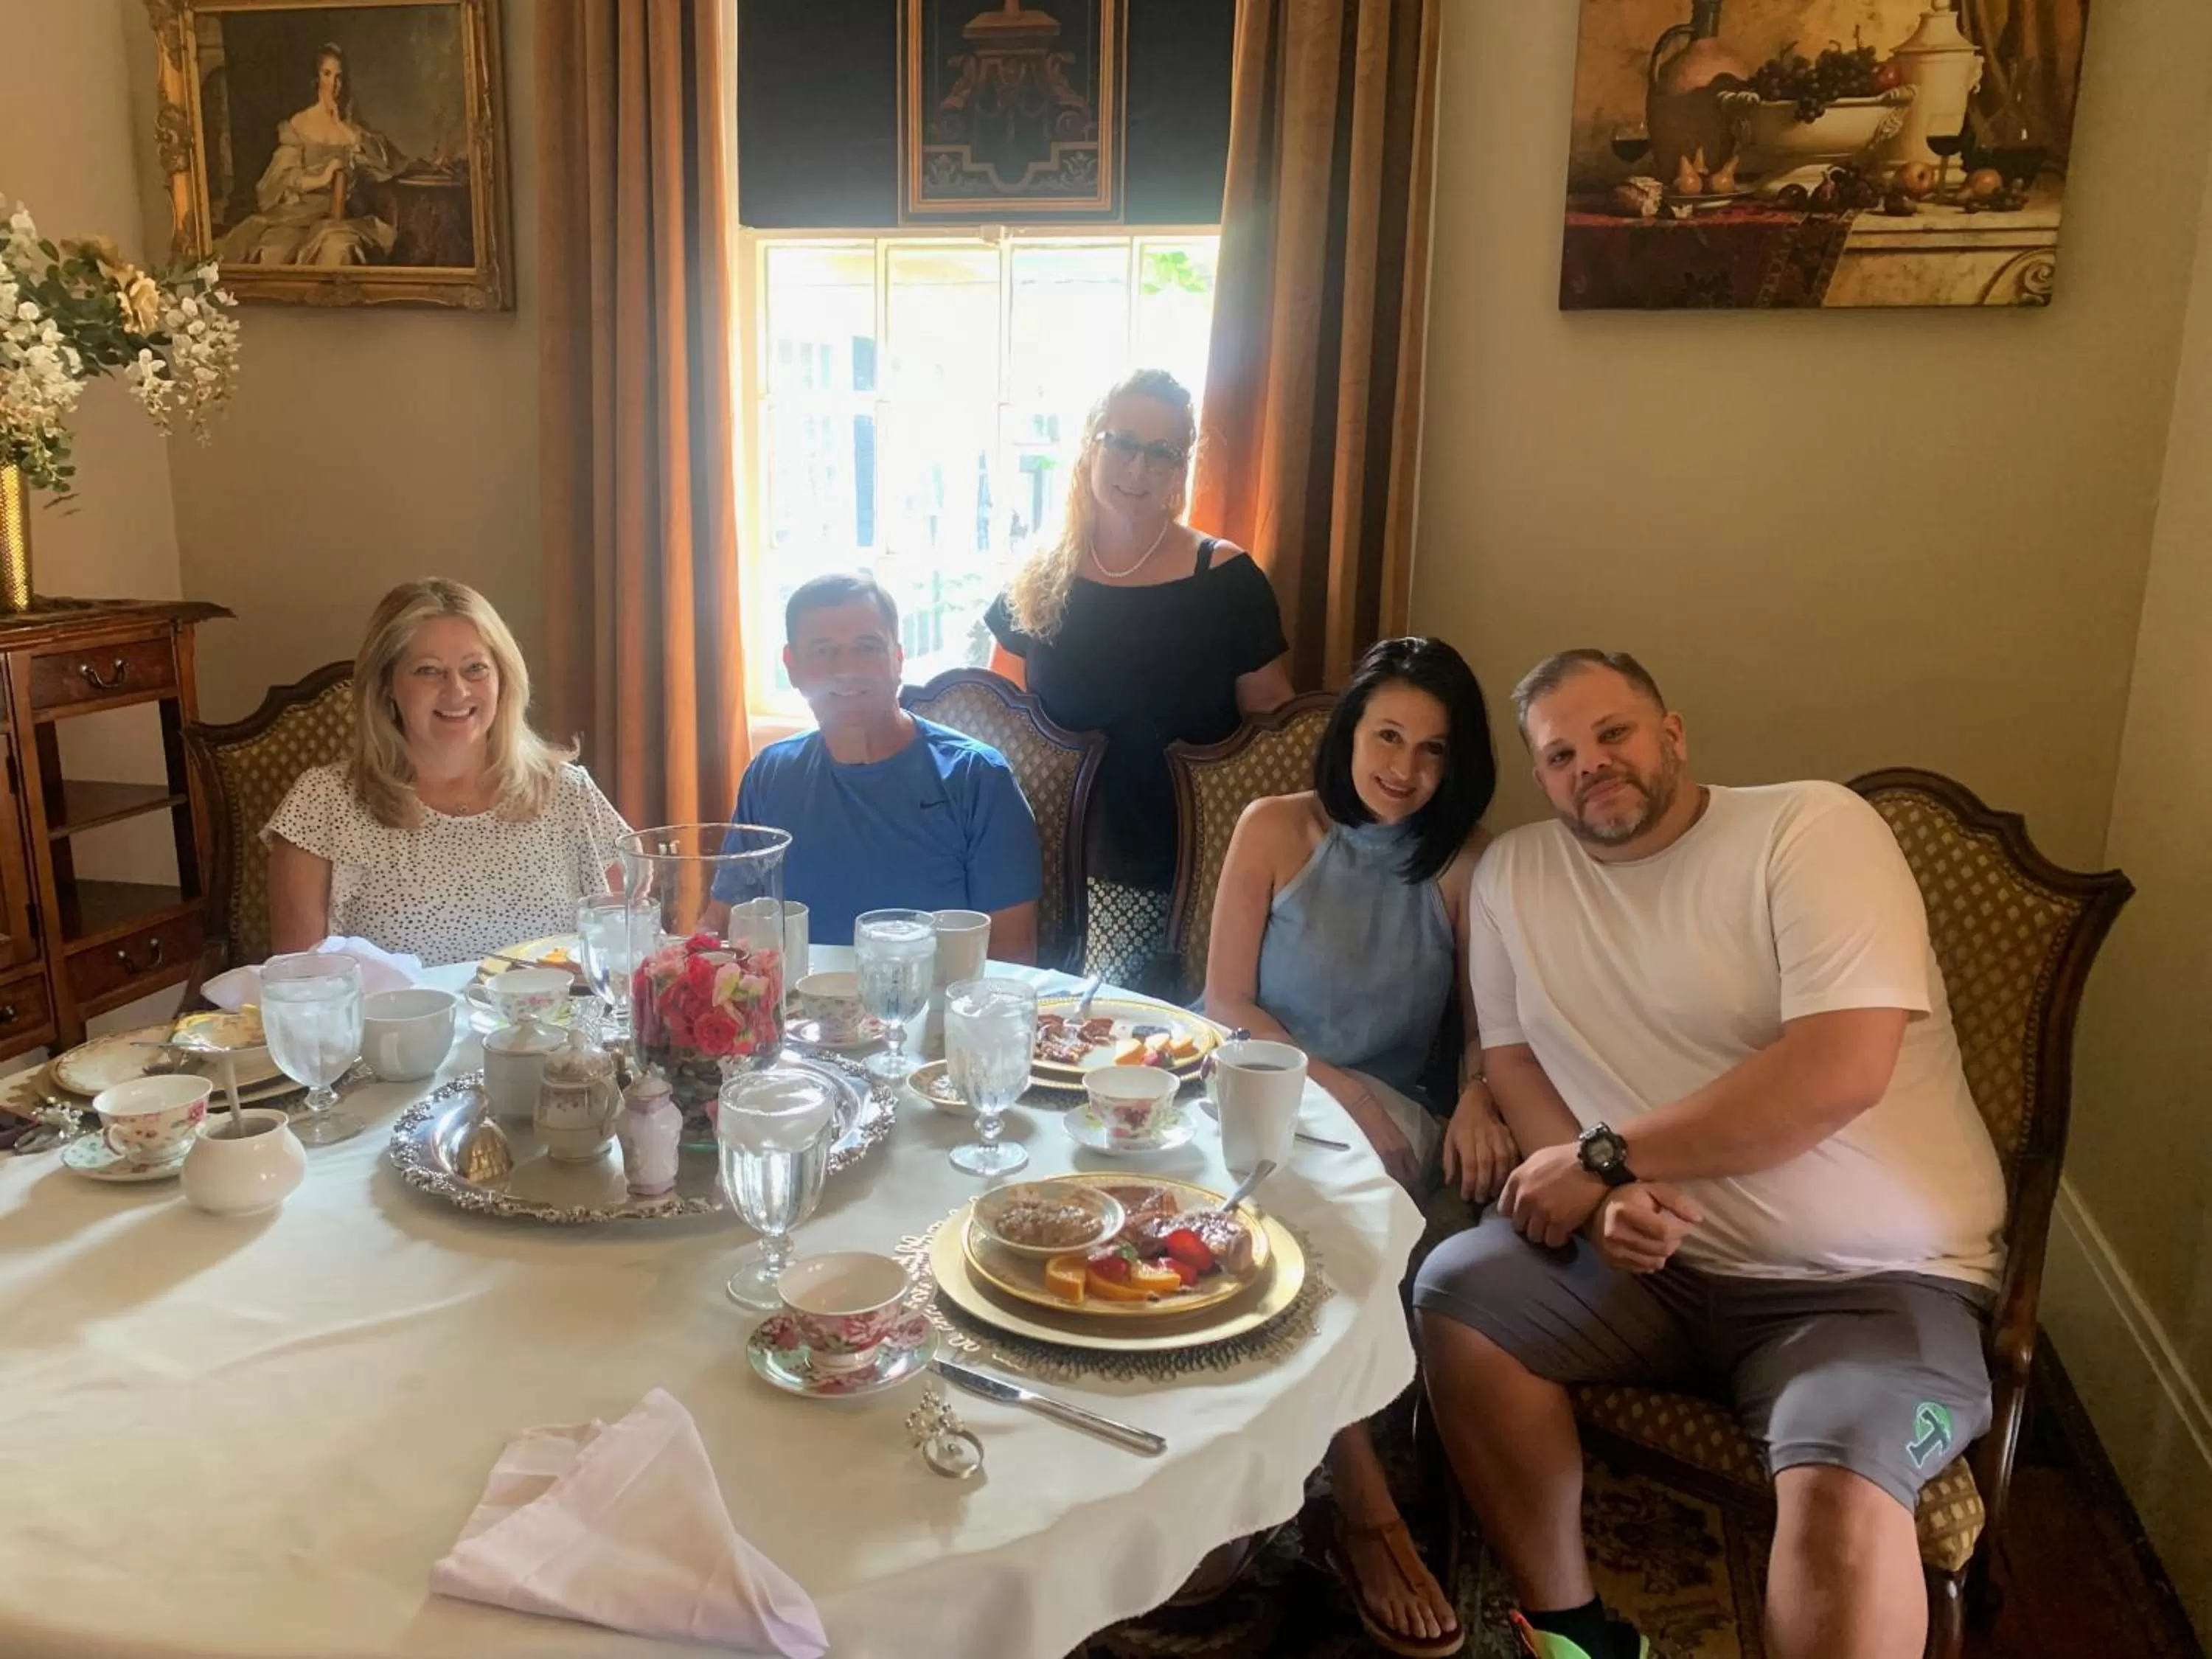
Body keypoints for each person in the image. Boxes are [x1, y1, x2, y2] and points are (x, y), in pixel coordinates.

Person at [1412, 650, 2008, 1659]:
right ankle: (1571, 1636)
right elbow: (1510, 1060)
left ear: (1673, 733)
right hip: (1643, 1272)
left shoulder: (1809, 830)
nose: (1591, 763)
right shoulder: (1514, 874)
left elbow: (1838, 1069)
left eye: (1615, 734)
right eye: (1560, 754)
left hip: (1865, 1284)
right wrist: (1603, 1205)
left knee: (1846, 1484)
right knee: (1456, 1294)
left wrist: (1602, 1162)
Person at [1204, 636, 1518, 1658]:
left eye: (1432, 750)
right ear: (1351, 733)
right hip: (1260, 1074)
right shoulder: (1274, 826)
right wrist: (1336, 1094)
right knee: (1273, 1205)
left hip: (1392, 1105)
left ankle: (1356, 1504)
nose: (1403, 767)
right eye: (1388, 734)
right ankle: (1362, 1495)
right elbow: (1226, 1002)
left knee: (1314, 1222)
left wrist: (1476, 1096)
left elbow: (1484, 1027)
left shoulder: (1466, 863)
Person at [987, 368, 1293, 993]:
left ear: (1182, 467)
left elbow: (1276, 739)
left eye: (1162, 452)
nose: (1139, 467)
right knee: (1033, 1045)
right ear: (1089, 445)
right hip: (1042, 862)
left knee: (1131, 1049)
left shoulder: (1226, 579)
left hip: (1176, 870)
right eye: (1122, 442)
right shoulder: (1038, 575)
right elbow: (1000, 718)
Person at [265, 579, 633, 967]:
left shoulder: (568, 794)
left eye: (475, 669)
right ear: (386, 684)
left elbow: (626, 957)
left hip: (551, 1027)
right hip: (389, 1030)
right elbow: (300, 990)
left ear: (502, 678)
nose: (456, 691)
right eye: (428, 671)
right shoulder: (321, 804)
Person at [714, 573, 1040, 960]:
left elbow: (1012, 959)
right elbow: (721, 926)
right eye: (824, 650)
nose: (847, 669)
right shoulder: (770, 775)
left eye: (867, 647)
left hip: (930, 1015)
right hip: (796, 1011)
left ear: (897, 659)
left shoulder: (977, 779)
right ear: (792, 666)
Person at [220, 42, 401, 267]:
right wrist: (322, 178)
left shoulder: (353, 128)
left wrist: (341, 125)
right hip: (299, 215)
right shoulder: (300, 124)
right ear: (317, 78)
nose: (334, 84)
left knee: (339, 251)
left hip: (341, 216)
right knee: (273, 253)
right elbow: (284, 179)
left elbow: (385, 165)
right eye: (327, 74)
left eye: (339, 77)